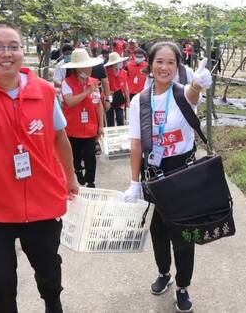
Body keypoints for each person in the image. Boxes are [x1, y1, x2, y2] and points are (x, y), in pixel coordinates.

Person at [0, 21, 79, 313]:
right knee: (0, 283)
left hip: (42, 200)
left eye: (13, 46)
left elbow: (60, 136)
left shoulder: (44, 90)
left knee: (48, 268)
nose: (6, 53)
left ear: (22, 51)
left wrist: (70, 177)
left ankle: (53, 303)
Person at [122, 41, 212, 313]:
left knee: (184, 234)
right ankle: (164, 273)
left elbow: (194, 95)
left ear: (177, 66)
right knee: (159, 231)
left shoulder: (183, 94)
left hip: (181, 172)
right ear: (150, 64)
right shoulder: (141, 101)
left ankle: (183, 285)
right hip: (154, 174)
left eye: (170, 62)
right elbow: (136, 144)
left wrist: (198, 84)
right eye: (159, 61)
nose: (164, 67)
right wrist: (135, 182)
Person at [61, 48, 105, 187]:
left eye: (90, 65)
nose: (89, 68)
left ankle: (91, 181)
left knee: (90, 156)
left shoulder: (94, 82)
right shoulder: (66, 83)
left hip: (90, 127)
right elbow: (70, 101)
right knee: (75, 156)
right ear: (78, 68)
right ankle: (78, 170)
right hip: (73, 127)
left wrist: (101, 125)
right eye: (86, 66)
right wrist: (86, 92)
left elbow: (98, 104)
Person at [104, 51, 129, 126]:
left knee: (120, 118)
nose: (120, 63)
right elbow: (103, 86)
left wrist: (127, 100)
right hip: (110, 96)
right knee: (110, 119)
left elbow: (126, 87)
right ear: (113, 64)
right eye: (118, 62)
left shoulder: (124, 72)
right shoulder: (106, 73)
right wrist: (106, 95)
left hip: (120, 97)